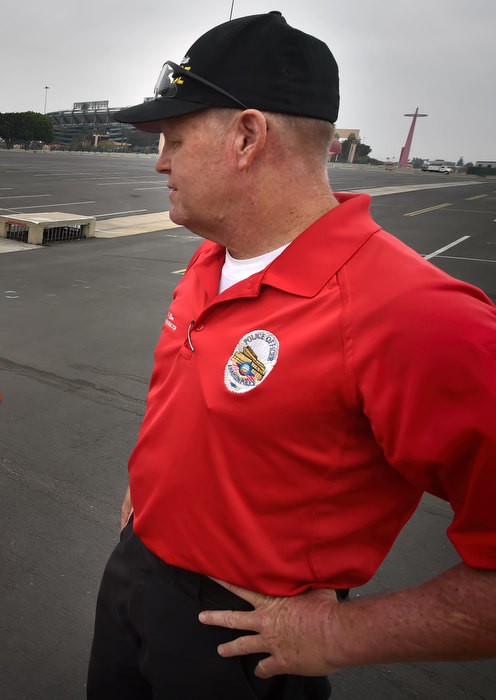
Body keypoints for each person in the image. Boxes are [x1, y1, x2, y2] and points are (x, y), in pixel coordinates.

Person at [86, 11, 496, 700]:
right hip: (134, 579)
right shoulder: (212, 262)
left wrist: (344, 634)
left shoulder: (418, 315)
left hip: (242, 644)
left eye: (175, 139)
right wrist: (149, 494)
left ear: (247, 136)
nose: (158, 161)